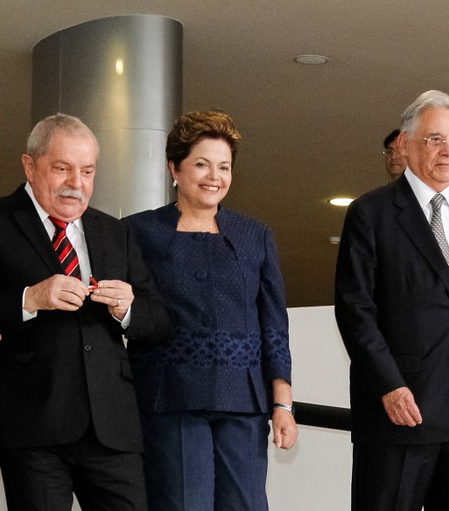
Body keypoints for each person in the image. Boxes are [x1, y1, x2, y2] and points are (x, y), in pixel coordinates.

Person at [0, 113, 172, 510]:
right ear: (30, 166)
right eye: (62, 168)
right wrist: (29, 298)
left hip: (111, 427)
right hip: (32, 423)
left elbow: (160, 320)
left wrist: (128, 309)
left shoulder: (114, 232)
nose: (76, 183)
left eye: (87, 171)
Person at [334, 90, 449, 511]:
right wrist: (389, 386)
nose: (448, 151)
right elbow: (355, 310)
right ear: (405, 144)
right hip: (401, 414)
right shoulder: (371, 213)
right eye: (435, 139)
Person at [124, 110, 297, 510]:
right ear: (174, 168)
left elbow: (273, 325)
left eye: (224, 166)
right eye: (201, 164)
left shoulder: (256, 235)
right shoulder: (138, 232)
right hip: (170, 399)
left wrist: (282, 404)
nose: (214, 177)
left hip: (243, 401)